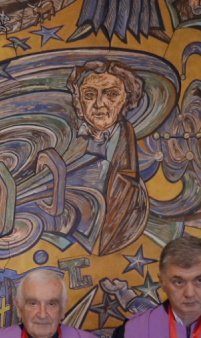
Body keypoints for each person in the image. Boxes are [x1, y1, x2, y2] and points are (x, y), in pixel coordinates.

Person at [66, 60, 150, 256]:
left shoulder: (140, 152)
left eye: (111, 94)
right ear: (78, 103)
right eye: (89, 95)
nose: (99, 104)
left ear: (127, 99)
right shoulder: (64, 142)